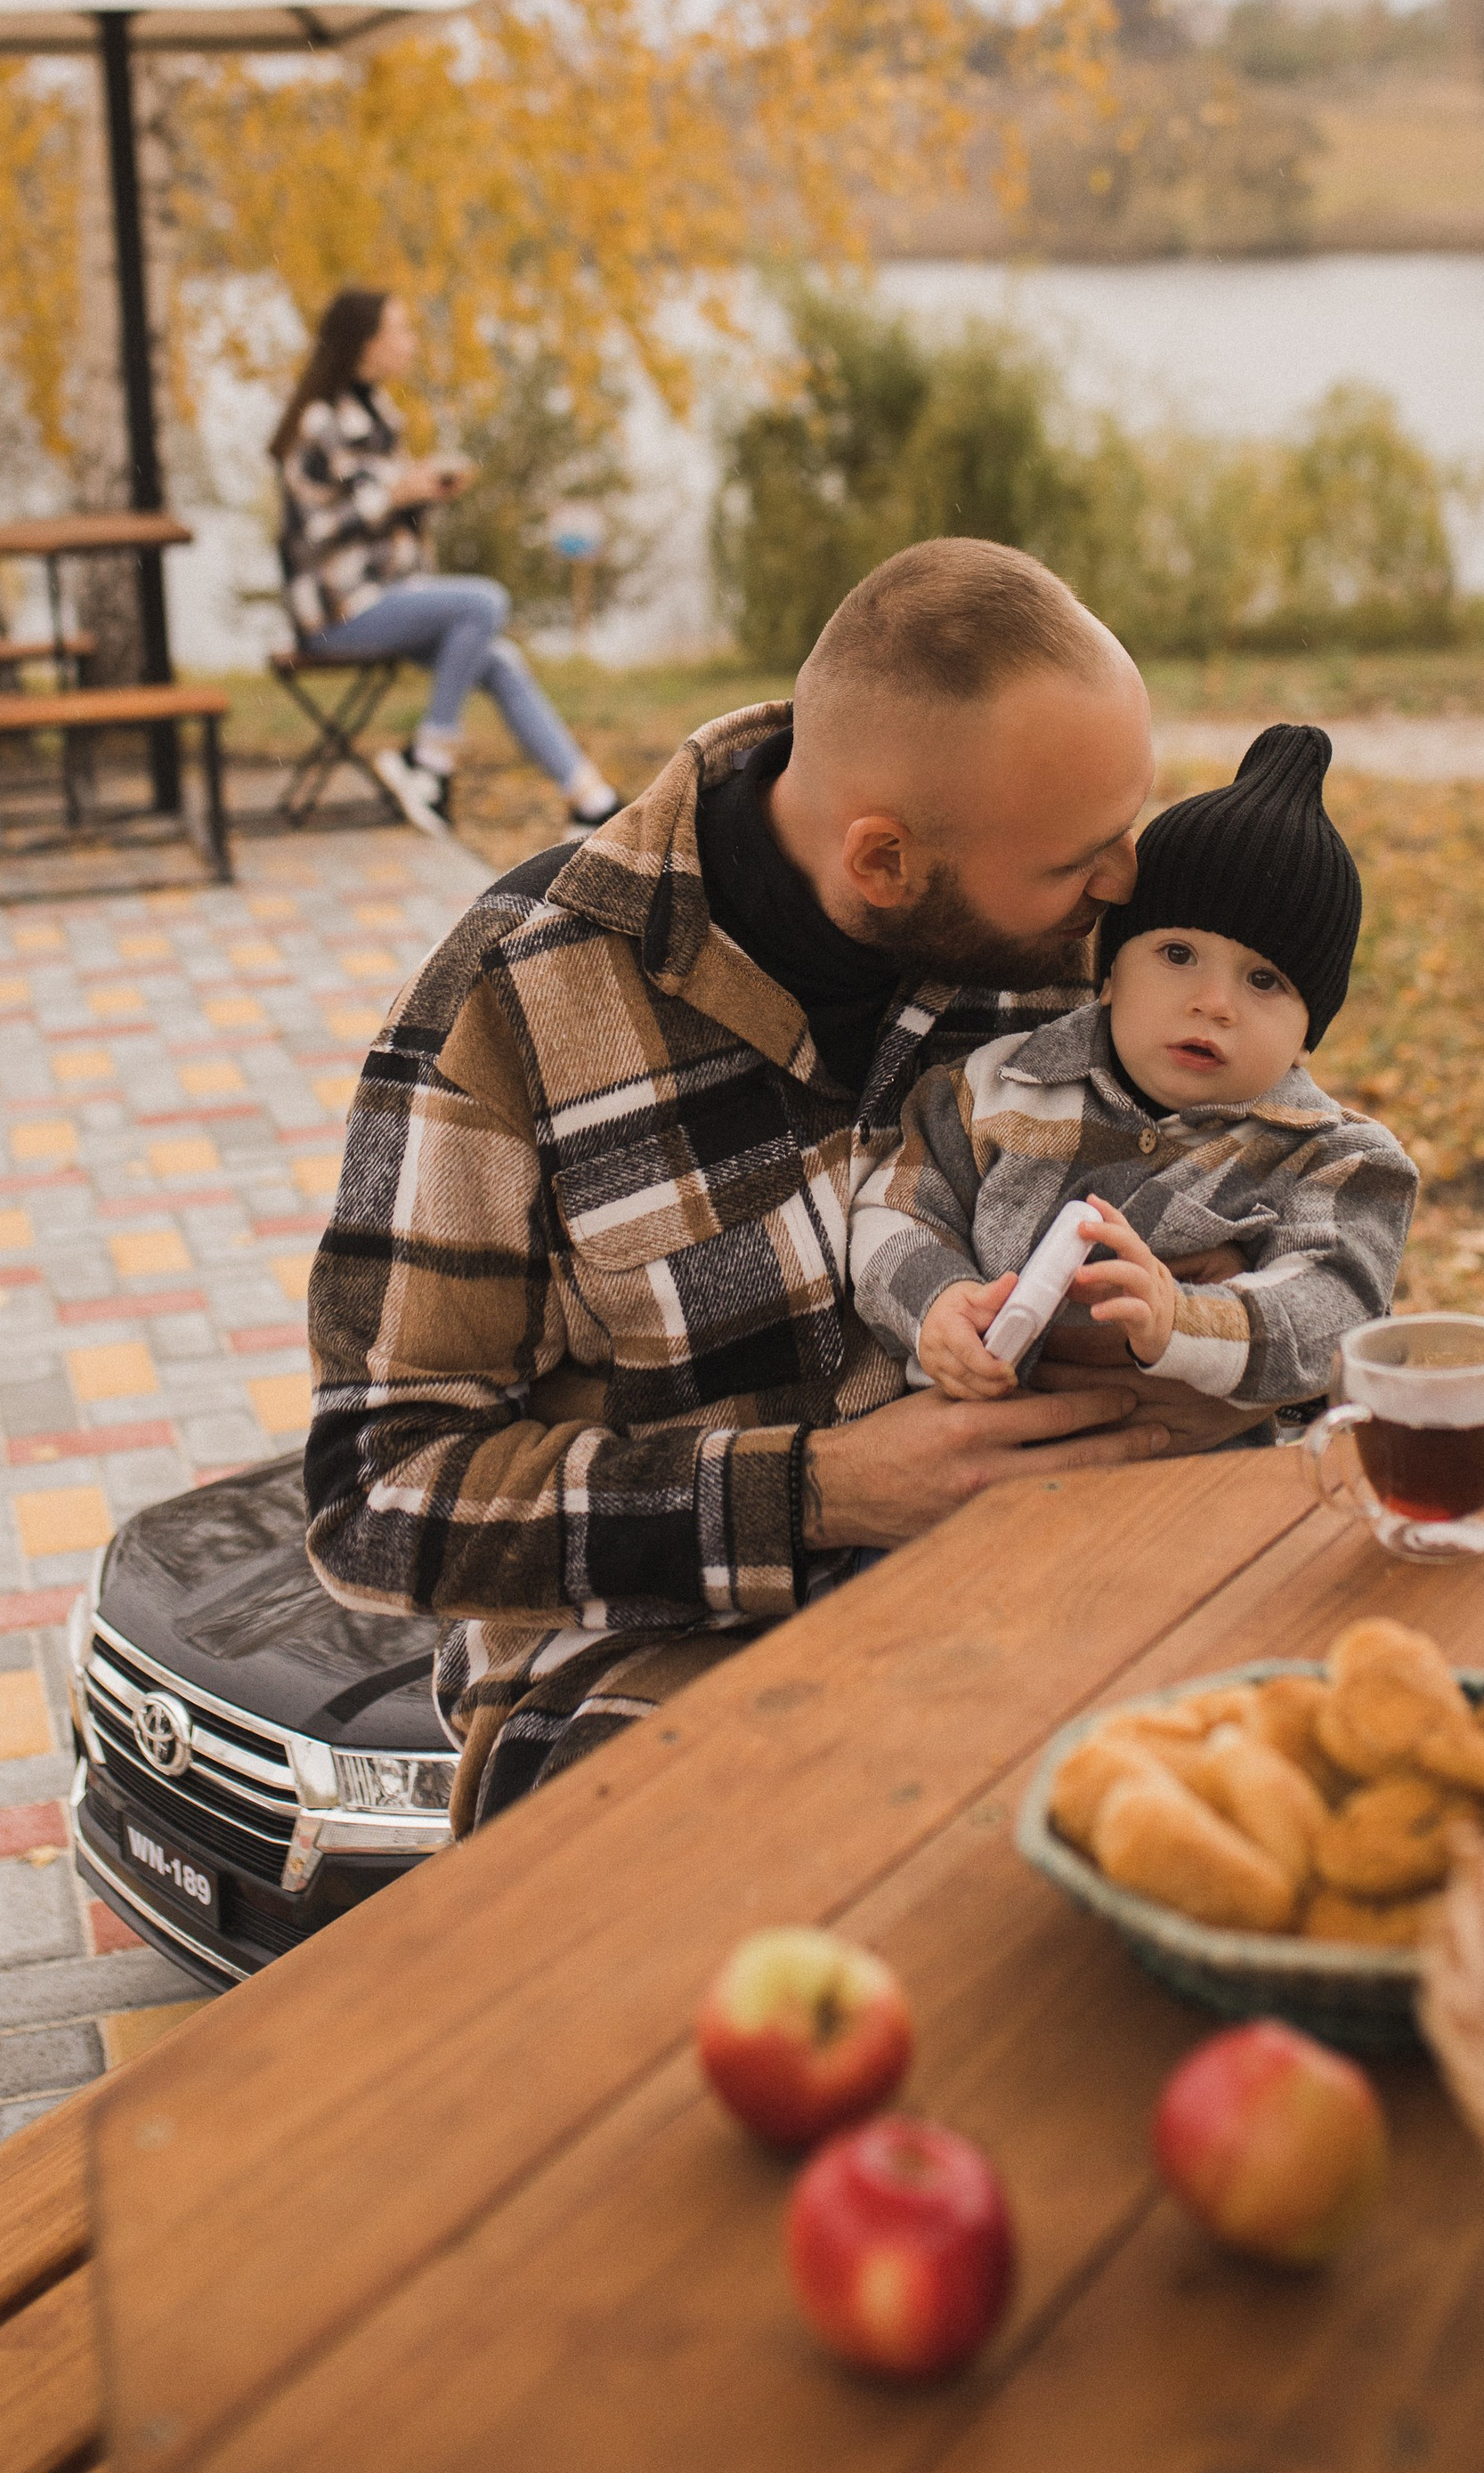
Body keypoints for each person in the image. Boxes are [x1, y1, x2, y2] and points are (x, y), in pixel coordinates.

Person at [304, 537, 1186, 1834]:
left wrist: (1199, 1297)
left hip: (1054, 1582)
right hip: (653, 1685)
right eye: (1077, 862)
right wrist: (819, 1490)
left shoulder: (1072, 935)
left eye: (1129, 829)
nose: (1124, 886)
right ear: (882, 863)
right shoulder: (504, 1004)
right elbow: (375, 1500)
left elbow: (1271, 1199)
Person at [850, 724, 1418, 1445]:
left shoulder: (1335, 1158)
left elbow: (1336, 1304)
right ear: (1111, 972)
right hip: (988, 1476)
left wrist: (1183, 1318)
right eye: (1177, 954)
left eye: (1265, 980)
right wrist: (937, 1302)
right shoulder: (989, 1090)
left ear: (1310, 1033)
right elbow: (894, 1206)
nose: (1214, 1003)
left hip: (1199, 1496)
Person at [270, 284, 622, 842]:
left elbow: (380, 512)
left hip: (386, 599)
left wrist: (420, 493)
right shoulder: (320, 423)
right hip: (336, 613)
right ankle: (429, 762)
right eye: (401, 331)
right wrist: (397, 494)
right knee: (484, 601)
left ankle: (591, 800)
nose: (411, 342)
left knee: (499, 657)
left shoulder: (379, 413)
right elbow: (309, 534)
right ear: (365, 344)